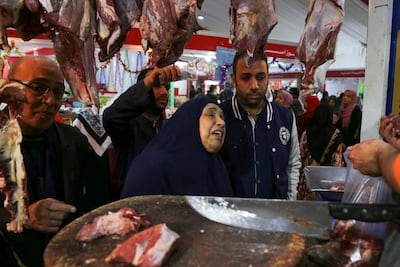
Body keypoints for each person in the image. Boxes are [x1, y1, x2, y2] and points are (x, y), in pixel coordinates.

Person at [0, 56, 111, 266]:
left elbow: (98, 199)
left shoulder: (74, 141)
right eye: (38, 87)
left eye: (58, 92)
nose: (50, 101)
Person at [219, 51, 301, 200]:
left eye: (260, 77)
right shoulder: (219, 116)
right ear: (234, 80)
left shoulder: (285, 117)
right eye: (245, 78)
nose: (254, 85)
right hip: (229, 214)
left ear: (268, 78)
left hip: (275, 213)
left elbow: (292, 164)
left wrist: (289, 203)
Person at [121, 96, 233, 198]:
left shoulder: (216, 165)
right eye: (211, 115)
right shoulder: (150, 167)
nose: (221, 122)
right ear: (190, 121)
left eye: (222, 117)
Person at [103, 65, 179, 195]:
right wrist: (148, 82)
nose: (164, 93)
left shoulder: (168, 128)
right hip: (132, 206)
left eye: (166, 87)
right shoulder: (127, 126)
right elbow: (111, 116)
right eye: (157, 86)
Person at [297, 103, 345, 200]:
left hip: (308, 177)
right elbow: (337, 160)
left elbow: (301, 153)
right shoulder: (335, 134)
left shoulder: (307, 132)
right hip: (326, 179)